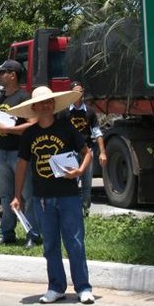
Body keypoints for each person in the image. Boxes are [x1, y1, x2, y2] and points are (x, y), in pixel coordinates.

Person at [9, 86, 95, 304]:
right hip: (42, 198)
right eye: (41, 103)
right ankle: (56, 287)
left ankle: (83, 287)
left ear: (54, 105)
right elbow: (21, 165)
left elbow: (87, 153)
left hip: (68, 195)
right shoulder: (29, 134)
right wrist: (17, 195)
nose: (45, 106)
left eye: (49, 102)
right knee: (50, 244)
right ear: (34, 108)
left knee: (74, 241)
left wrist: (79, 171)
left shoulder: (66, 128)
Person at [0, 60, 39, 248]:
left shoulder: (24, 97)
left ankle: (32, 233)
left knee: (27, 195)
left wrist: (11, 130)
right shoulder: (0, 100)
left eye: (2, 72)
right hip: (2, 153)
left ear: (13, 75)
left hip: (20, 154)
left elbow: (33, 123)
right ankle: (6, 233)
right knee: (6, 195)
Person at [61, 80, 108, 215]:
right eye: (75, 91)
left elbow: (97, 132)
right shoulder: (64, 112)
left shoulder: (90, 112)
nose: (78, 94)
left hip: (87, 151)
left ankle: (85, 210)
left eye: (80, 91)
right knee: (71, 183)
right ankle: (72, 210)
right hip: (70, 152)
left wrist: (102, 152)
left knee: (87, 184)